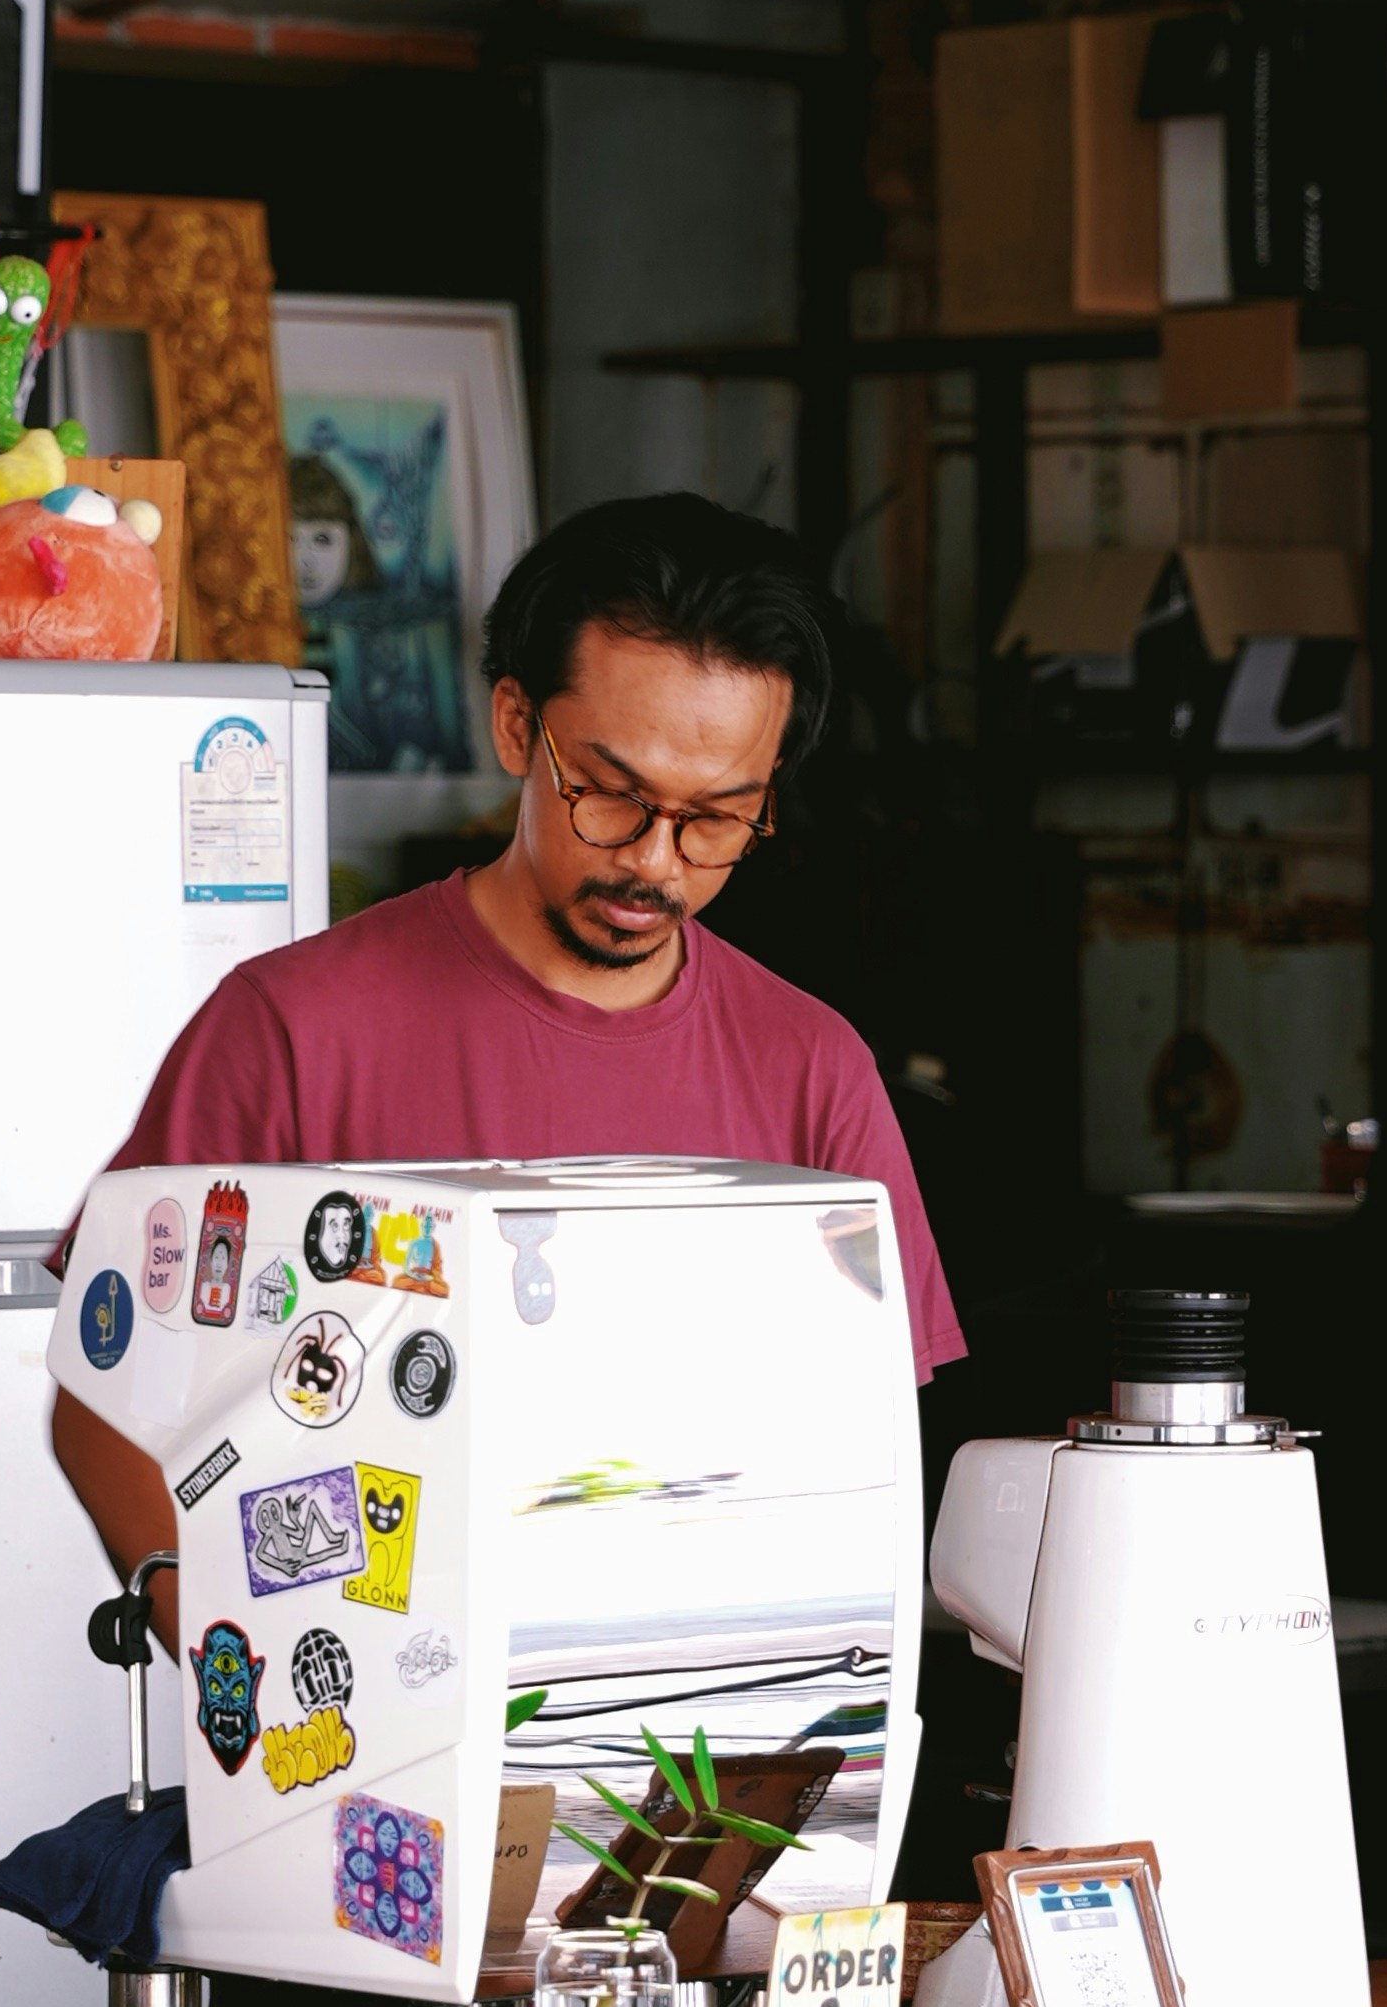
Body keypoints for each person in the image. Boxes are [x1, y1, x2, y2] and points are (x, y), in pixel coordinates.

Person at [117, 487, 961, 1369]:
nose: (656, 862)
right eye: (610, 794)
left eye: (716, 817)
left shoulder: (813, 1072)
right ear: (518, 725)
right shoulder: (289, 1028)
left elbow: (863, 1434)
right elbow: (119, 1395)